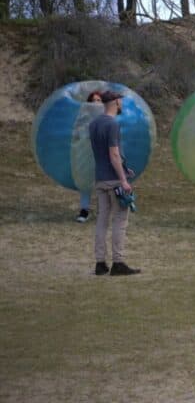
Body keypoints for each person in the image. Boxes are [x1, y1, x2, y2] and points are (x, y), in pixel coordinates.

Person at [89, 90, 140, 276]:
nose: (122, 104)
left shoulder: (94, 124)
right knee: (120, 220)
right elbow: (114, 154)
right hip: (114, 181)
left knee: (102, 220)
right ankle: (118, 262)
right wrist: (123, 179)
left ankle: (100, 262)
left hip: (100, 179)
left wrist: (124, 168)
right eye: (121, 101)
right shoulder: (113, 124)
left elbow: (103, 154)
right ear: (117, 102)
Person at [76, 91, 103, 223]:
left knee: (103, 183)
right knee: (85, 183)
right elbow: (77, 135)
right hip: (86, 154)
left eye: (98, 100)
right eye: (93, 100)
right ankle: (84, 210)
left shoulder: (106, 118)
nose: (96, 103)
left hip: (102, 156)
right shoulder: (84, 118)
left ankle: (102, 212)